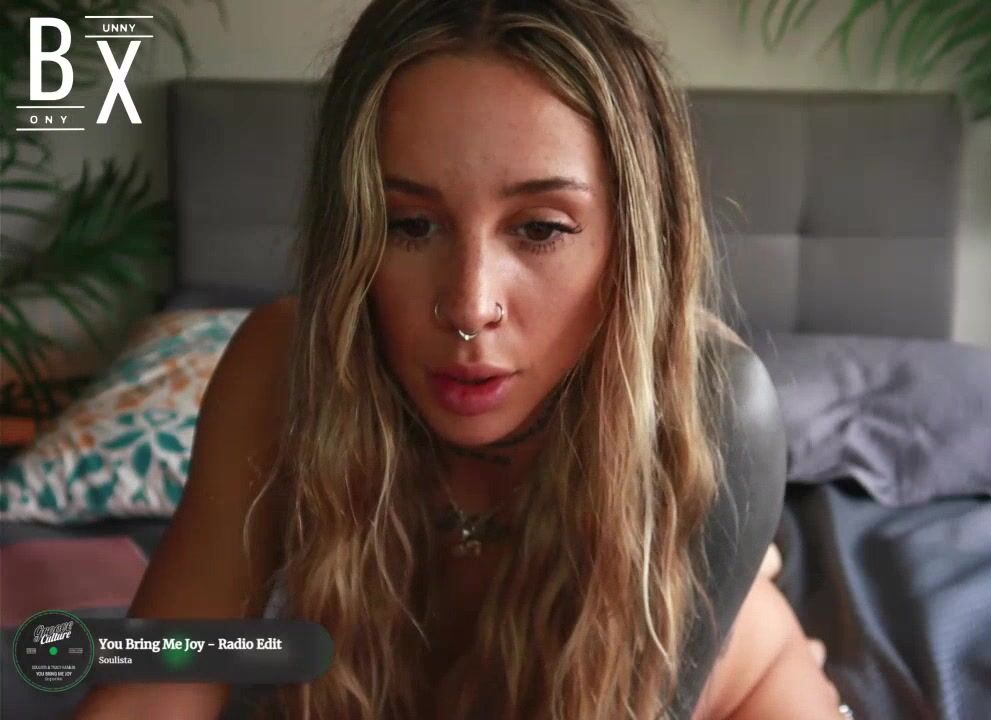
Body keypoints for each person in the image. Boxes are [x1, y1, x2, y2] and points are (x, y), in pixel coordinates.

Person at [73, 0, 848, 717]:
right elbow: (159, 680)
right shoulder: (284, 373)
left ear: (632, 243)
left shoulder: (711, 406)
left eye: (541, 229)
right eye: (410, 226)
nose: (470, 304)